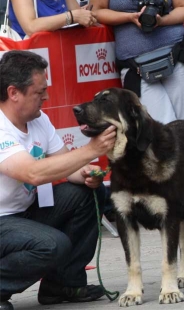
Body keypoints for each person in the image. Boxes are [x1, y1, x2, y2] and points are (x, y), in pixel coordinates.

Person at [0, 51, 117, 310]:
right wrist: (91, 150)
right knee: (53, 245)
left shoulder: (38, 120)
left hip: (23, 214)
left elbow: (67, 165)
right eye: (39, 92)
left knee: (90, 194)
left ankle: (63, 284)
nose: (47, 97)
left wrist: (87, 173)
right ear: (13, 93)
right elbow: (32, 173)